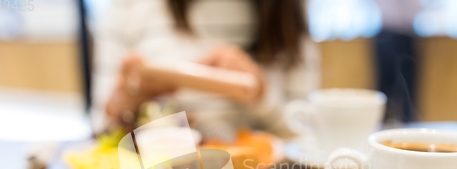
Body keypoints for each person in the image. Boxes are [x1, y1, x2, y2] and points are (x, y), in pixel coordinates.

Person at [91, 0, 320, 137]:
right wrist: (125, 101)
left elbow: (306, 132)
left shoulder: (289, 10)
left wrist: (261, 94)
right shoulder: (128, 7)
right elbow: (101, 126)